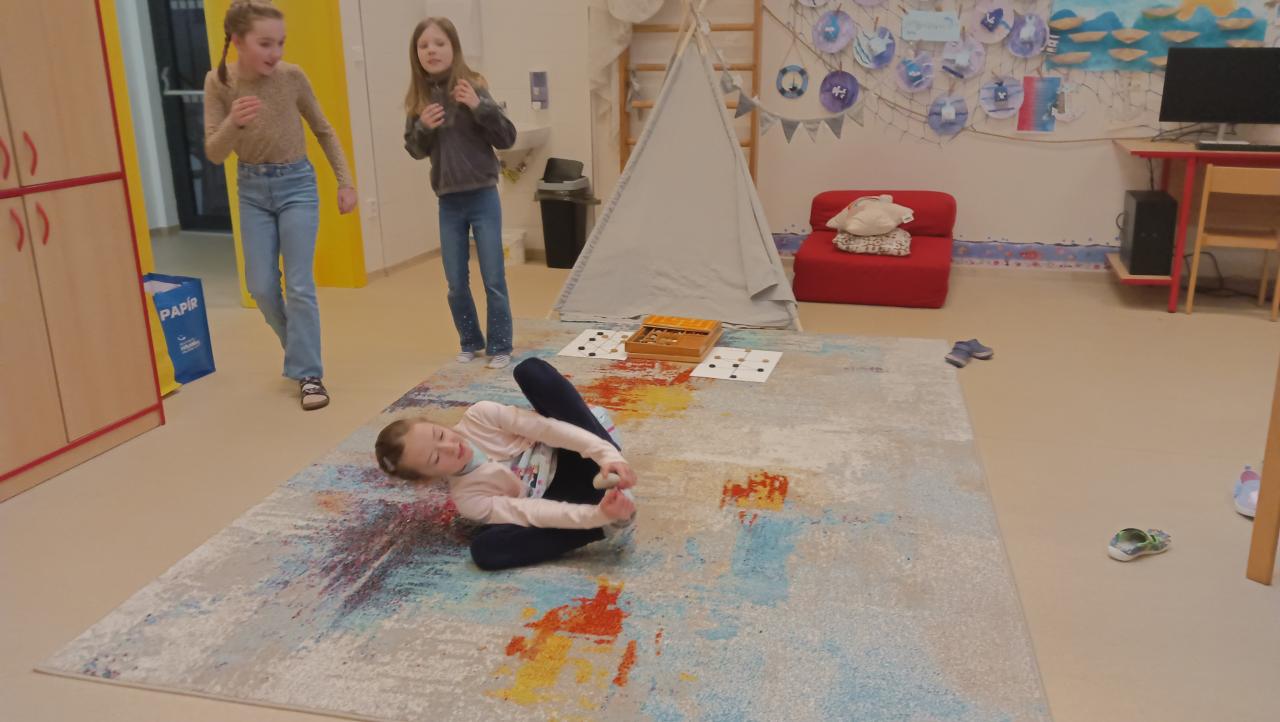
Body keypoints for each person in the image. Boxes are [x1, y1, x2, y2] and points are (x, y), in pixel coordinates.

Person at [204, 0, 357, 410]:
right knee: (261, 286)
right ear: (238, 41)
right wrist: (233, 122)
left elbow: (323, 130)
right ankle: (300, 352)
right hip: (252, 190)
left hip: (297, 186)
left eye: (280, 43)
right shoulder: (218, 82)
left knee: (300, 285)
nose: (276, 52)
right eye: (265, 43)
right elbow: (215, 152)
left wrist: (345, 182)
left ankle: (309, 375)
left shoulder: (292, 77)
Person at [375, 358, 637, 570]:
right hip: (563, 496)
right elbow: (532, 511)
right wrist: (597, 517)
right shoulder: (469, 499)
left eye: (440, 435)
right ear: (427, 478)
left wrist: (606, 455)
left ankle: (616, 471)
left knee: (531, 371)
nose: (450, 447)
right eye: (436, 458)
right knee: (486, 550)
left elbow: (548, 430)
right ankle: (608, 519)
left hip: (578, 455)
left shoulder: (481, 415)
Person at [403, 17, 518, 370]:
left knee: (493, 277)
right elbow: (415, 150)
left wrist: (478, 106)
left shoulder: (473, 86)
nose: (431, 51)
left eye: (439, 43)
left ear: (453, 48)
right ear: (416, 54)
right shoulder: (419, 100)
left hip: (483, 197)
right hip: (448, 202)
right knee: (455, 281)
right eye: (424, 45)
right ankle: (470, 341)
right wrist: (423, 127)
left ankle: (500, 345)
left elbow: (507, 137)